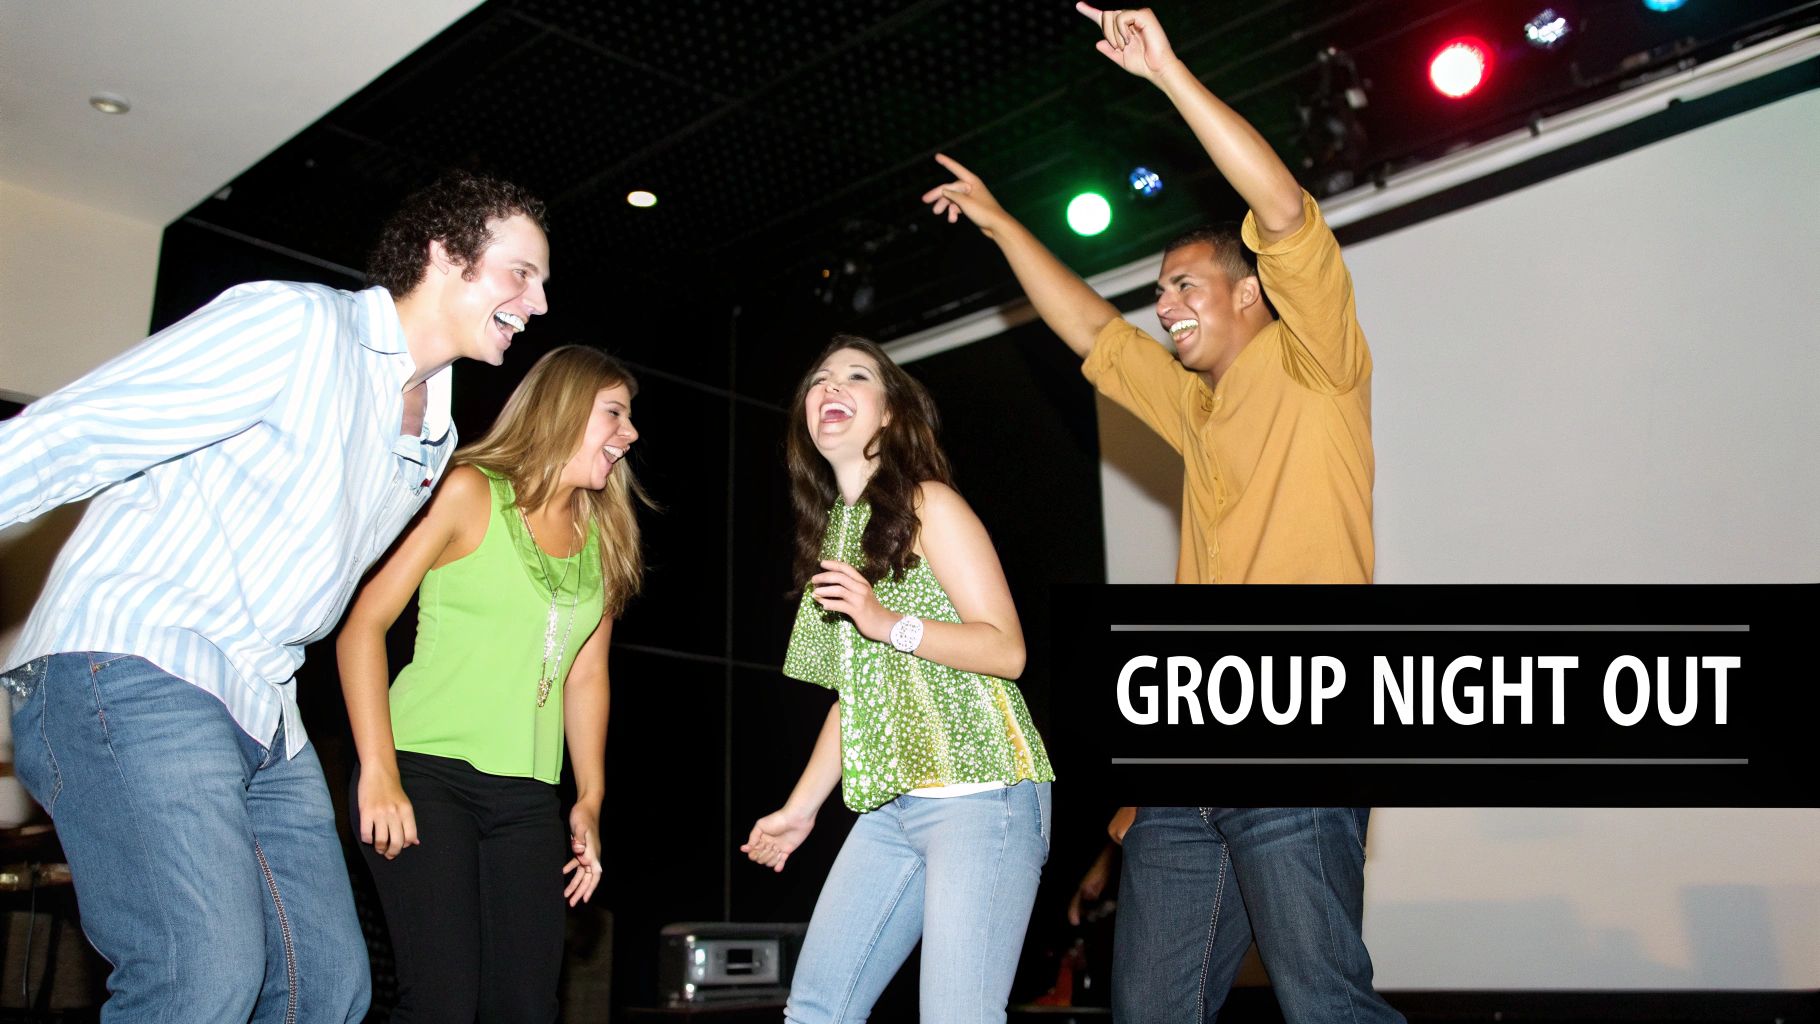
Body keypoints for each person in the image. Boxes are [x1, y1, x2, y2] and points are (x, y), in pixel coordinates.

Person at [922, 6, 1400, 1023]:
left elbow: (1278, 210)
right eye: (1159, 289)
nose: (1164, 304)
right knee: (1150, 1006)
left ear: (1252, 298)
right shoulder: (1193, 404)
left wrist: (1169, 74)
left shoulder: (1315, 359)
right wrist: (1005, 223)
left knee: (1323, 1000)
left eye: (1184, 285)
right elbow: (1091, 328)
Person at [0, 170, 548, 1022]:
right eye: (522, 272)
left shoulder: (432, 440)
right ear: (445, 254)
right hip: (141, 657)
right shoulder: (296, 324)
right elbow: (86, 427)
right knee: (200, 972)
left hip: (264, 708)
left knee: (326, 989)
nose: (539, 301)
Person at [742, 336, 1055, 1024]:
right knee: (817, 1009)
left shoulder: (930, 504)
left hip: (984, 792)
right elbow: (854, 698)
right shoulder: (835, 537)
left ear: (887, 415)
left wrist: (887, 623)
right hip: (891, 807)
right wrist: (800, 810)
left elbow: (1007, 651)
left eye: (856, 377)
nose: (830, 387)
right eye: (819, 380)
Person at [337, 344, 644, 1022]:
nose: (630, 434)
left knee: (527, 1007)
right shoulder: (471, 491)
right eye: (615, 414)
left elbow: (587, 676)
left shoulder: (605, 536)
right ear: (564, 408)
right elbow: (363, 626)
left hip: (529, 799)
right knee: (443, 1002)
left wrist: (588, 799)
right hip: (423, 774)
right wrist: (378, 773)